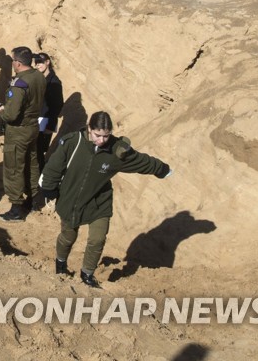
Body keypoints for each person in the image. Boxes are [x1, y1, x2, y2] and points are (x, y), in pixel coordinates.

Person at [39, 111, 171, 288]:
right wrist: (49, 189)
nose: (101, 140)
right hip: (71, 199)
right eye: (97, 135)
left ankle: (87, 274)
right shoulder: (73, 143)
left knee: (97, 239)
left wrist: (161, 169)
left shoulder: (116, 150)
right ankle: (61, 264)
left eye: (106, 136)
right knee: (68, 237)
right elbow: (53, 168)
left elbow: (140, 161)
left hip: (99, 201)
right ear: (89, 129)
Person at [0, 46, 45, 221]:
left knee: (14, 168)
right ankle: (34, 199)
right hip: (32, 128)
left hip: (18, 131)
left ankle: (16, 208)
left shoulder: (19, 84)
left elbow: (11, 114)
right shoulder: (38, 76)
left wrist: (1, 111)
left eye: (13, 60)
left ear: (17, 63)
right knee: (32, 164)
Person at [33, 52, 64, 171]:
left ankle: (39, 180)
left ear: (47, 62)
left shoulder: (54, 81)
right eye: (36, 63)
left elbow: (57, 105)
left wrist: (49, 126)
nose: (38, 65)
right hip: (38, 119)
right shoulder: (39, 78)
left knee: (39, 152)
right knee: (35, 151)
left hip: (45, 121)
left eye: (40, 62)